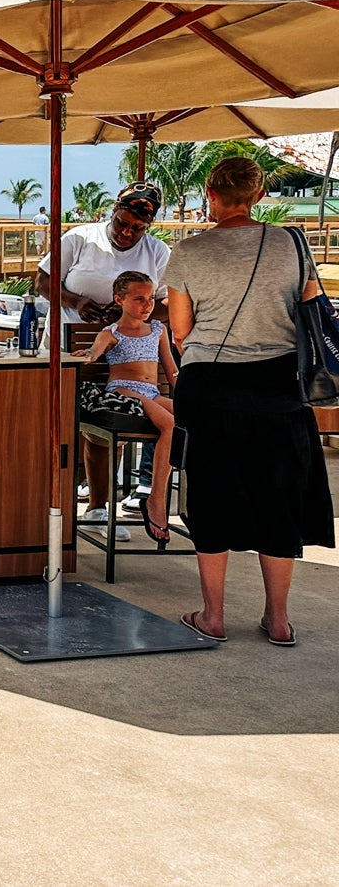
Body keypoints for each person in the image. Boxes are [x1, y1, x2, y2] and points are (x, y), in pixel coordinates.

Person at [165, 157, 333, 646]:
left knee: (212, 496)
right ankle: (278, 620)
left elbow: (180, 330)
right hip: (280, 385)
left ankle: (213, 616)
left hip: (211, 385)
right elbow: (309, 307)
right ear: (258, 196)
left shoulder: (188, 251)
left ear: (210, 194)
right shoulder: (290, 243)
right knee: (280, 498)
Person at [37, 181, 170, 527]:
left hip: (122, 358)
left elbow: (167, 305)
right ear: (112, 212)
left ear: (149, 226)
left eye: (137, 228)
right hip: (69, 346)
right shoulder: (81, 239)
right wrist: (76, 302)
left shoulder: (157, 253)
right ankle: (48, 496)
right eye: (122, 223)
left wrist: (127, 314)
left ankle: (99, 502)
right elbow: (42, 281)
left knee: (103, 427)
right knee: (55, 423)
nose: (127, 232)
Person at [82, 271, 178, 544]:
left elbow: (171, 371)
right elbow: (94, 352)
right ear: (119, 300)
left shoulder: (158, 330)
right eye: (139, 299)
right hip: (124, 391)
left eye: (149, 299)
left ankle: (199, 497)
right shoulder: (111, 333)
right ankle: (155, 499)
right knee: (169, 425)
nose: (147, 305)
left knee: (196, 419)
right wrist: (87, 355)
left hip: (151, 393)